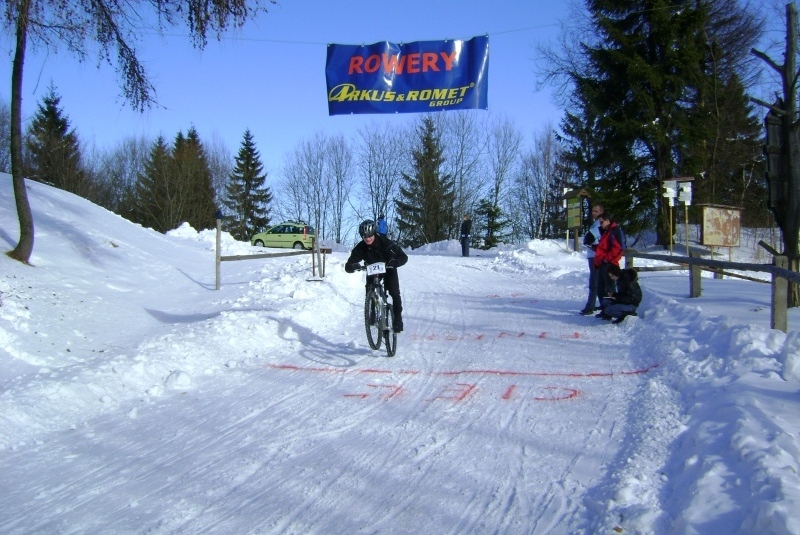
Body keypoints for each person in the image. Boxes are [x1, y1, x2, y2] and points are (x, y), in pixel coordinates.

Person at [345, 219, 409, 332]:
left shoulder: (385, 243)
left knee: (395, 292)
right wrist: (352, 266)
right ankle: (372, 313)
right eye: (364, 237)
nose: (367, 239)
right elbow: (349, 265)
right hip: (372, 270)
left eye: (369, 236)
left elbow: (403, 257)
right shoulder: (361, 247)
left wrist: (394, 262)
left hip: (388, 268)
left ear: (374, 233)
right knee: (369, 289)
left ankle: (398, 319)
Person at [593, 212, 624, 314]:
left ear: (607, 221)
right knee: (601, 287)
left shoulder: (614, 231)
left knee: (609, 288)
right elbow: (604, 247)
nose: (600, 224)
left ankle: (610, 310)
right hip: (602, 263)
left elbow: (617, 248)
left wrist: (607, 258)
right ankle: (605, 309)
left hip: (609, 264)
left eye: (601, 222)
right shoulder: (606, 231)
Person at [580, 203, 604, 315]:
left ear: (601, 212)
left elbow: (589, 238)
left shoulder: (599, 224)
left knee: (594, 281)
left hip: (595, 256)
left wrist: (589, 242)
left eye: (596, 211)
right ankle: (602, 304)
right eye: (593, 211)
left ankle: (590, 306)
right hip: (594, 255)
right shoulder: (596, 223)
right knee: (598, 281)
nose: (593, 213)